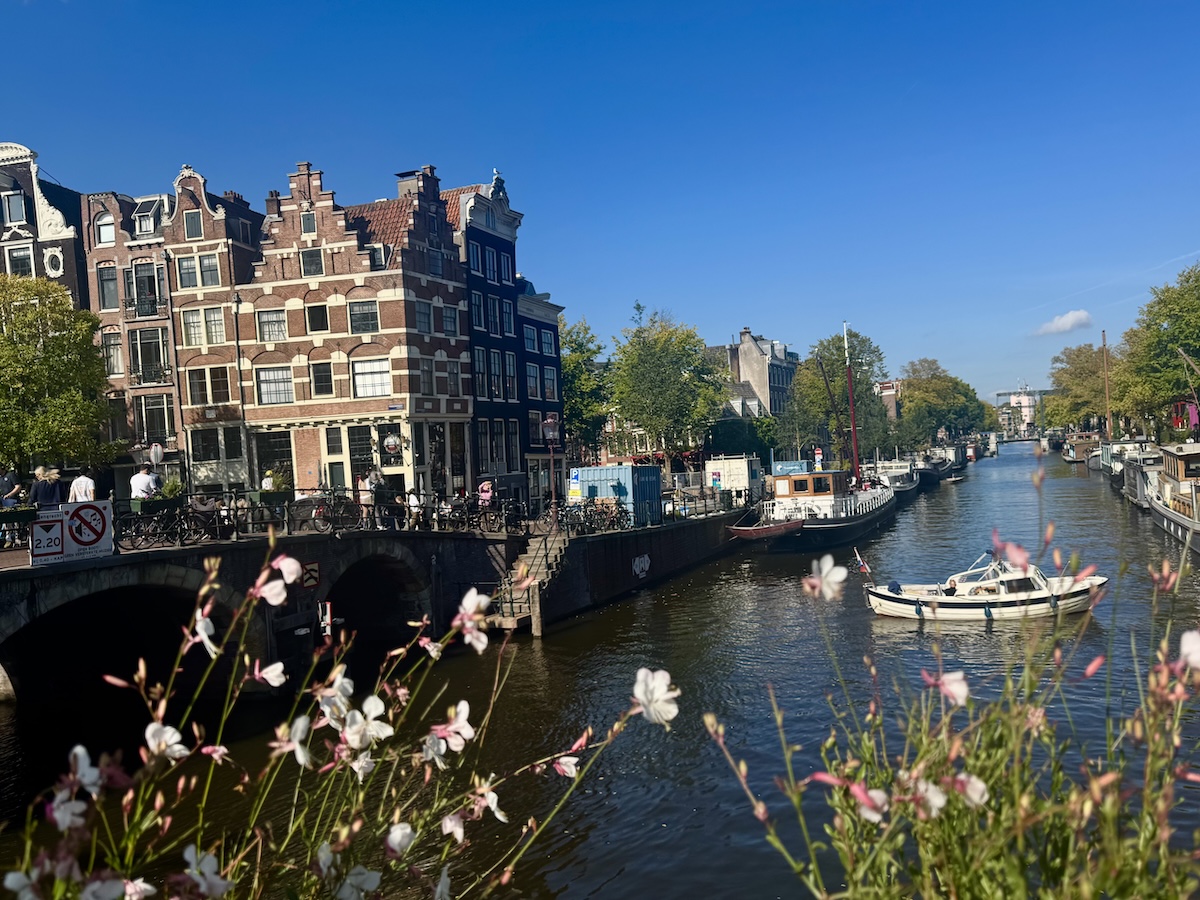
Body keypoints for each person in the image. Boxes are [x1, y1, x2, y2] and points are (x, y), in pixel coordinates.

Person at [0, 466, 20, 549]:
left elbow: (18, 486)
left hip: (12, 500)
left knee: (15, 520)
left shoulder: (11, 475)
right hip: (3, 501)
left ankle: (17, 537)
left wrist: (9, 495)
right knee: (6, 521)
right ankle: (8, 539)